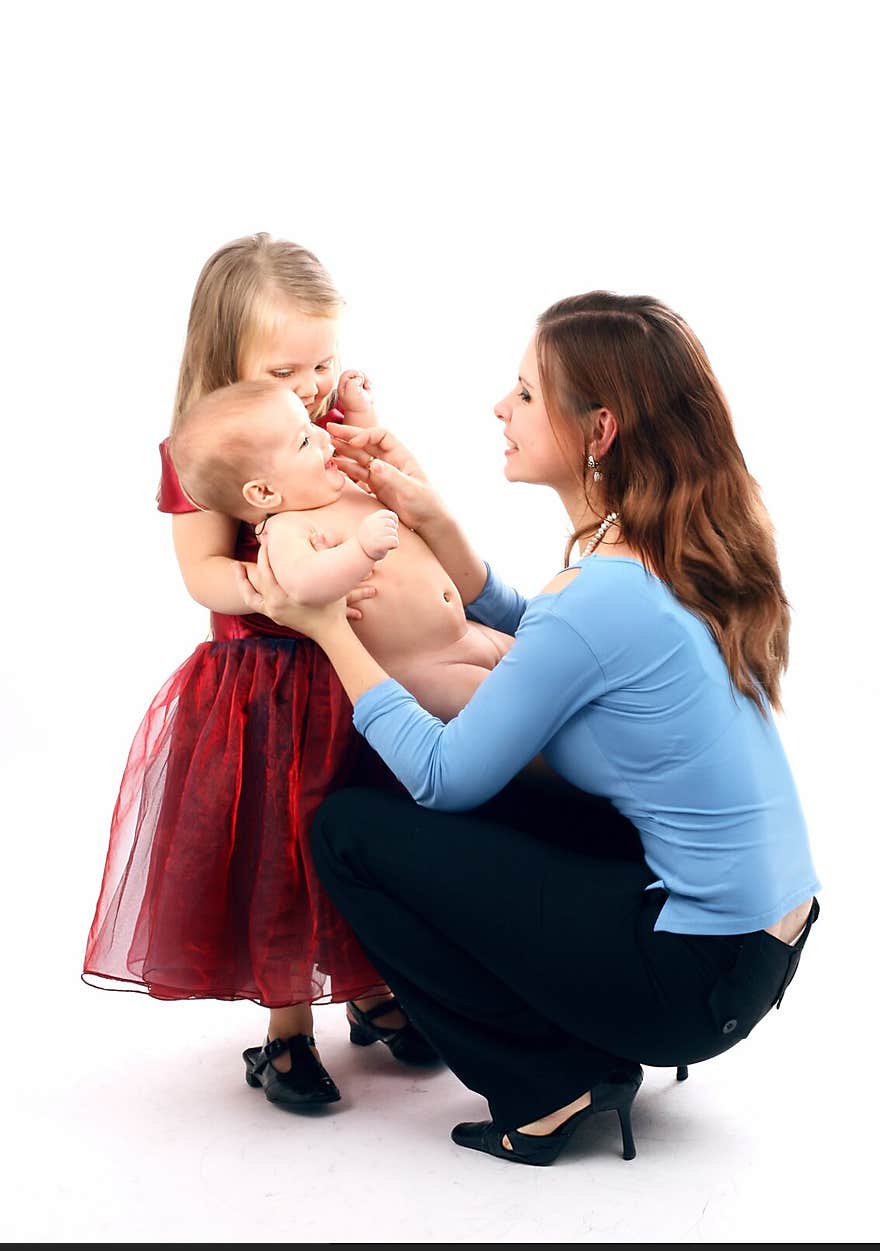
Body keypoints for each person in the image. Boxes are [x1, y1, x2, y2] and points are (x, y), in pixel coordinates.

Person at [243, 291, 821, 1165]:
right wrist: (431, 515)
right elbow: (538, 635)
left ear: (598, 431)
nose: (500, 409)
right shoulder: (660, 548)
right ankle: (556, 1044)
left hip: (695, 977)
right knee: (477, 784)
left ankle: (545, 1083)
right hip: (748, 946)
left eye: (523, 392)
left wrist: (328, 632)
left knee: (353, 826)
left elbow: (444, 774)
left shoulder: (600, 594)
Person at [83, 234, 442, 1112]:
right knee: (285, 852)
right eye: (290, 369)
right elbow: (199, 566)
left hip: (355, 674)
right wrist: (266, 590)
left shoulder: (320, 430)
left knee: (362, 837)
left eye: (327, 359)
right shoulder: (206, 452)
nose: (314, 384)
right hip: (267, 689)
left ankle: (367, 987)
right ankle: (286, 1033)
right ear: (229, 359)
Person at [168, 380, 512, 720]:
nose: (321, 435)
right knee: (511, 713)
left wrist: (361, 412)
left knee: (544, 670)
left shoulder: (337, 484)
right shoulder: (287, 530)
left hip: (467, 631)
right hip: (428, 668)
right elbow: (301, 584)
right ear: (263, 493)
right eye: (304, 440)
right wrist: (359, 550)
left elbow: (368, 458)